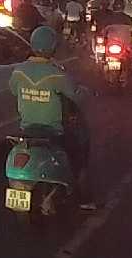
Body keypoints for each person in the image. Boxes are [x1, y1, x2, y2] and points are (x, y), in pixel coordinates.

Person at [9, 26, 95, 210]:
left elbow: (13, 90)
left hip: (27, 129)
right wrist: (88, 93)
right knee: (79, 150)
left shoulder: (18, 71)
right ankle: (82, 198)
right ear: (53, 47)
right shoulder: (56, 73)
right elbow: (75, 94)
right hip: (53, 130)